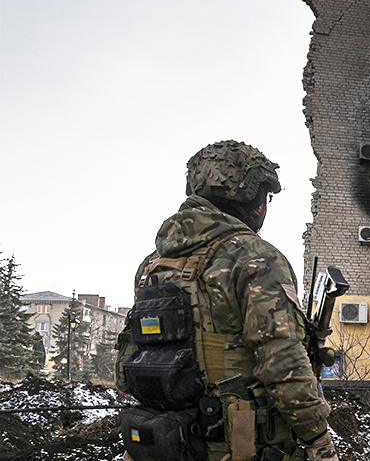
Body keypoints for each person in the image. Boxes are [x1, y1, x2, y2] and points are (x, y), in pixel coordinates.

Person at [115, 140, 338, 461]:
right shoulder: (255, 258)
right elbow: (283, 362)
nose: (264, 206)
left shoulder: (153, 264)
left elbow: (127, 366)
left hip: (169, 443)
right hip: (236, 446)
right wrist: (318, 438)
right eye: (265, 196)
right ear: (249, 195)